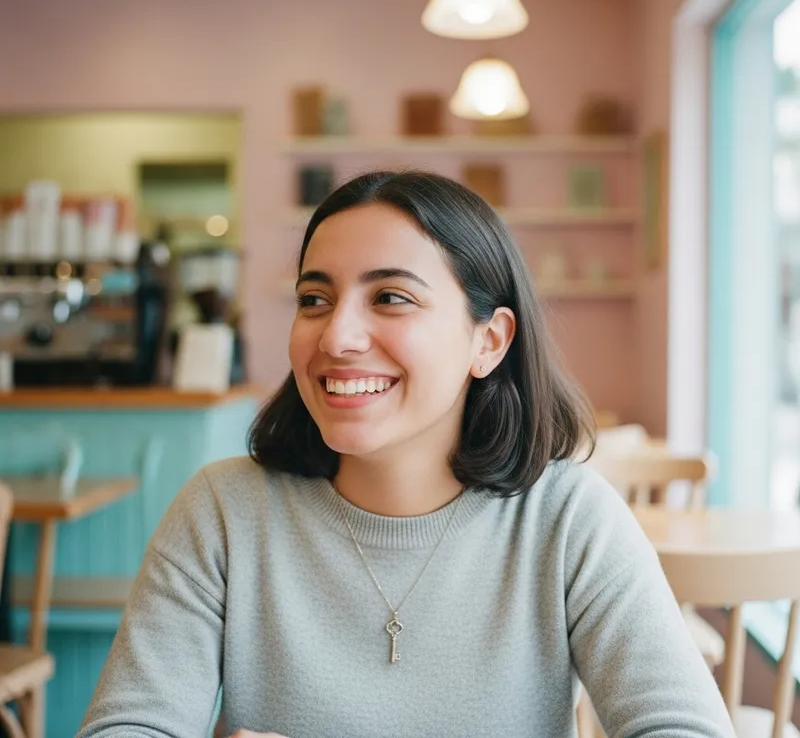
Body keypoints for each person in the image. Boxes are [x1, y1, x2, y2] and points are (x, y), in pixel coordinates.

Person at [78, 170, 735, 738]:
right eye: (314, 300)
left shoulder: (568, 519)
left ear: (489, 341)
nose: (336, 337)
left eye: (391, 298)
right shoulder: (222, 512)